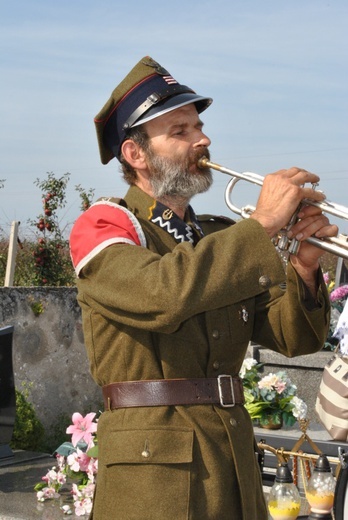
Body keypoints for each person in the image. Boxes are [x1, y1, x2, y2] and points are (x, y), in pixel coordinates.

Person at [69, 56, 337, 520]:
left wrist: (304, 267)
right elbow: (162, 294)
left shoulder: (215, 238)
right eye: (181, 131)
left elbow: (295, 339)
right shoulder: (105, 224)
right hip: (153, 473)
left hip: (230, 458)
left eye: (199, 126)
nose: (203, 139)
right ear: (136, 155)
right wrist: (264, 223)